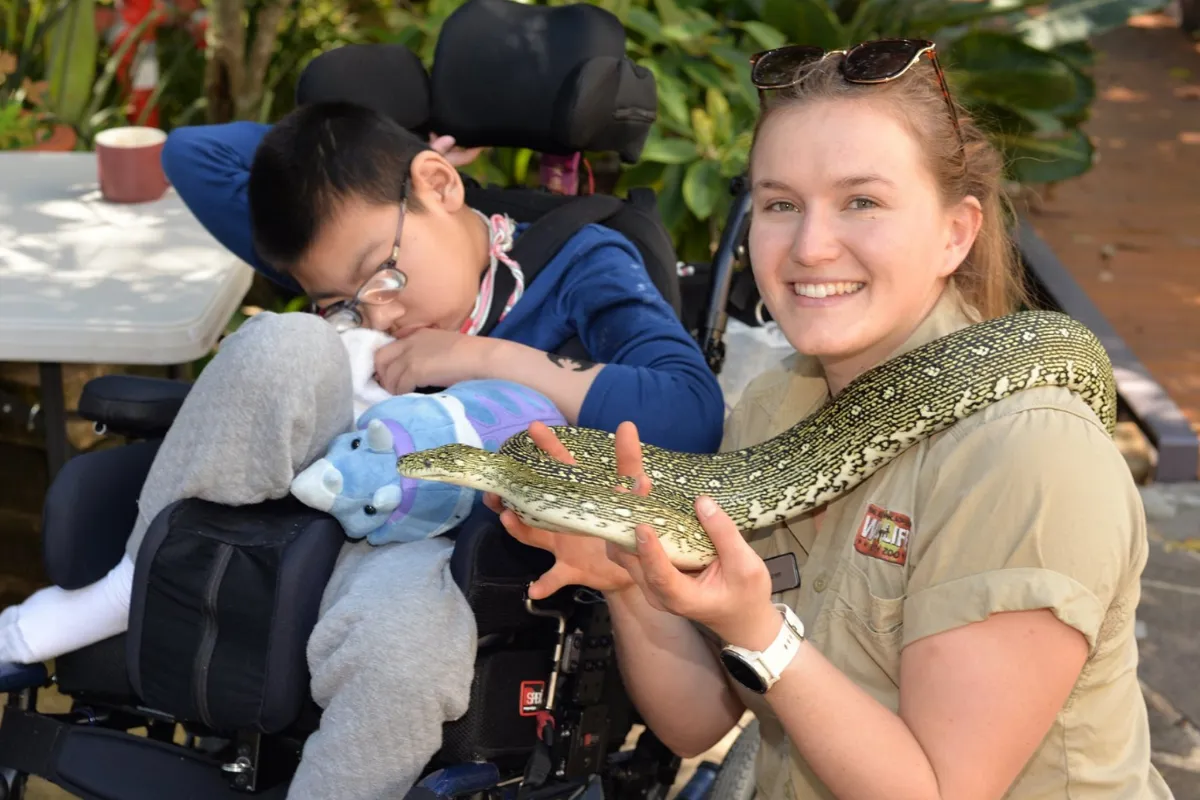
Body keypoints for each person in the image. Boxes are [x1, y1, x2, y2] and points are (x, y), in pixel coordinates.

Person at [491, 39, 1173, 800]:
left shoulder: (1029, 455)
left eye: (862, 201)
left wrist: (762, 636)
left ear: (957, 231)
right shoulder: (775, 405)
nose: (811, 247)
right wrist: (625, 579)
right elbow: (697, 722)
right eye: (781, 204)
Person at [0, 100, 724, 800]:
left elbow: (690, 415)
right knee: (286, 341)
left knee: (406, 659)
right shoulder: (347, 255)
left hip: (427, 545)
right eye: (345, 300)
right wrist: (385, 128)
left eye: (385, 275)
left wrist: (485, 358)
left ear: (441, 189)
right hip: (291, 492)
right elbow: (195, 153)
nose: (379, 311)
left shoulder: (580, 259)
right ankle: (138, 577)